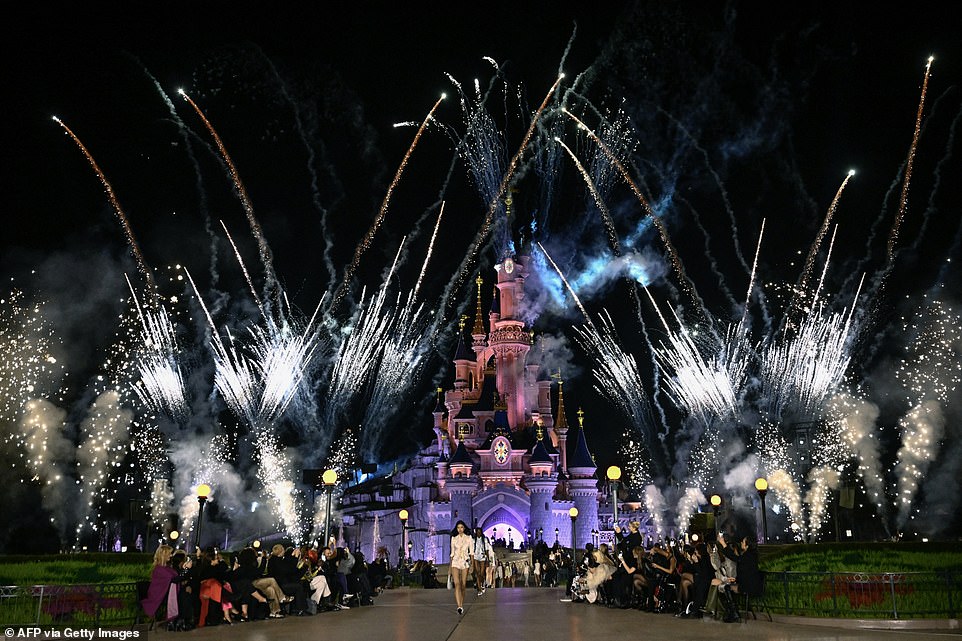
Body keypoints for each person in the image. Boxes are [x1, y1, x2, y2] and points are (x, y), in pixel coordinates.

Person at [717, 531, 762, 623]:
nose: (741, 543)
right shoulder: (752, 556)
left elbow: (735, 558)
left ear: (747, 545)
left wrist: (723, 544)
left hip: (749, 586)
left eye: (743, 542)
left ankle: (734, 613)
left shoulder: (748, 556)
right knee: (730, 586)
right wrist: (736, 579)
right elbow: (745, 572)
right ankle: (733, 612)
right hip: (752, 584)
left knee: (727, 588)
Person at [141, 544, 177, 623]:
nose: (171, 555)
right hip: (157, 594)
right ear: (164, 555)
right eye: (169, 553)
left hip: (165, 593)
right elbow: (171, 578)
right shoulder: (158, 569)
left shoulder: (166, 568)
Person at [449, 520, 473, 615]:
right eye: (458, 527)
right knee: (457, 584)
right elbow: (452, 553)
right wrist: (450, 567)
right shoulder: (454, 538)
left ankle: (461, 603)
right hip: (455, 561)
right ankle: (459, 606)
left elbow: (471, 552)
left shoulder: (468, 538)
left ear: (464, 528)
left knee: (463, 585)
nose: (460, 529)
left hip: (465, 562)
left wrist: (472, 565)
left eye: (461, 527)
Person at [471, 527, 492, 595]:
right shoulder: (474, 540)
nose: (478, 533)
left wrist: (488, 558)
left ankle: (482, 583)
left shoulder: (484, 540)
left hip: (482, 556)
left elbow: (487, 549)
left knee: (482, 573)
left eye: (480, 532)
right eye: (477, 532)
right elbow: (471, 549)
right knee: (477, 572)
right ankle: (479, 588)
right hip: (476, 556)